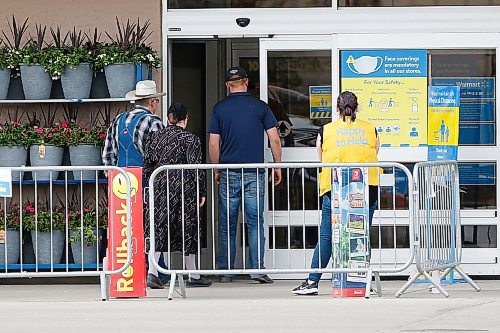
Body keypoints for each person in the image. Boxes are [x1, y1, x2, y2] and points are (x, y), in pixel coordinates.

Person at [292, 91, 380, 295]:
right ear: (357, 108)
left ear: (337, 110)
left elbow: (321, 158)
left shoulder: (326, 130)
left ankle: (312, 282)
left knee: (326, 237)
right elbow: (375, 152)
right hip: (366, 190)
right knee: (361, 236)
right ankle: (362, 283)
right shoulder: (370, 129)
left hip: (335, 191)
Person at [208, 66, 282, 284]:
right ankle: (257, 270)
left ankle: (226, 272)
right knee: (255, 222)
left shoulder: (219, 109)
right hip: (255, 172)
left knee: (227, 223)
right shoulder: (260, 107)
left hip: (230, 172)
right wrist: (277, 165)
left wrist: (217, 167)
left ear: (227, 86)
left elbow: (214, 143)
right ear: (246, 82)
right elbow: (275, 139)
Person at [102, 80, 168, 289]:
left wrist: (112, 176)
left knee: (126, 225)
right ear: (153, 102)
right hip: (147, 180)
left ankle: (130, 269)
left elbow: (108, 154)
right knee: (150, 224)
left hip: (121, 180)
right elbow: (161, 155)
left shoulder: (118, 120)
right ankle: (154, 268)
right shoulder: (154, 122)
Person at [143, 103, 211, 288]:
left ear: (168, 118)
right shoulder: (191, 139)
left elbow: (147, 165)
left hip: (158, 184)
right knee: (188, 227)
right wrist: (202, 191)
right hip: (184, 187)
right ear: (185, 119)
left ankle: (153, 272)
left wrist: (151, 184)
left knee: (158, 226)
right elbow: (195, 167)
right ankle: (193, 273)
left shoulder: (155, 137)